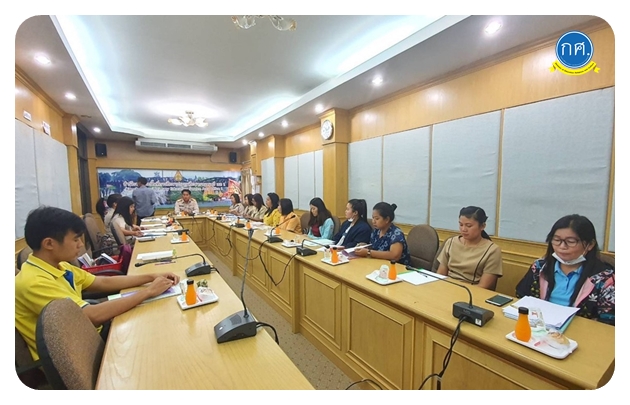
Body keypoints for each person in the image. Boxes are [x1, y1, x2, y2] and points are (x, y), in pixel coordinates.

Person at [15, 206, 180, 362]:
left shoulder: (60, 266)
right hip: (77, 357)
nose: (81, 245)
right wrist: (148, 292)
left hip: (87, 337)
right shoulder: (33, 282)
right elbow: (90, 316)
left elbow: (102, 281)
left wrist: (151, 276)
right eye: (75, 239)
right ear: (49, 244)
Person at [515, 214, 614, 324]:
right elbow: (521, 296)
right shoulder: (539, 267)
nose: (562, 246)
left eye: (571, 241)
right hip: (539, 327)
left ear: (590, 244)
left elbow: (609, 321)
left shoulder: (605, 279)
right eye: (556, 240)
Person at [435, 206, 502, 290]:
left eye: (469, 226)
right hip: (447, 288)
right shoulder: (451, 242)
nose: (463, 229)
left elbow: (483, 286)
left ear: (482, 226)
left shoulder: (492, 250)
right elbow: (440, 275)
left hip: (471, 292)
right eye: (461, 225)